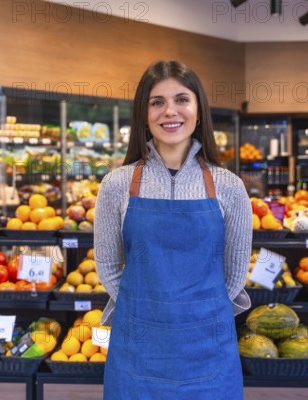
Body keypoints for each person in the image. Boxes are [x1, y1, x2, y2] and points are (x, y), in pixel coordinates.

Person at [94, 60, 252, 399]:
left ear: (198, 109)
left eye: (182, 99)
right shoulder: (115, 184)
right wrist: (145, 309)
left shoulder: (229, 187)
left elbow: (236, 270)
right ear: (144, 113)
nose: (170, 111)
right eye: (157, 102)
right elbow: (107, 264)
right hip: (138, 345)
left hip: (206, 346)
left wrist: (200, 312)